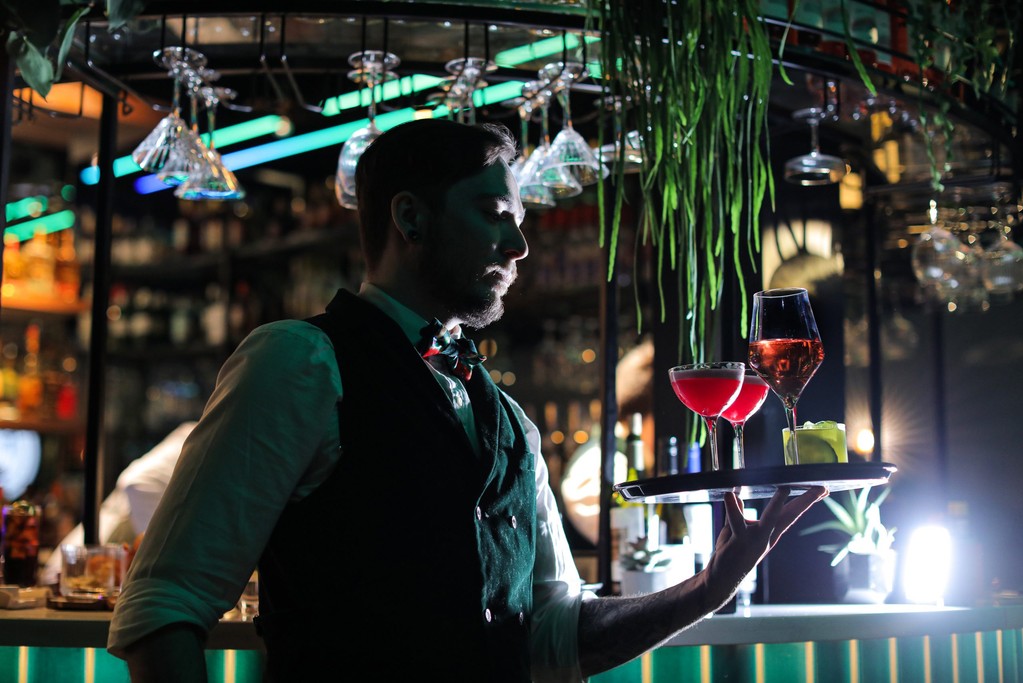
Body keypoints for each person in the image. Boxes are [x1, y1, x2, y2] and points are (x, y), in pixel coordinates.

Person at [107, 119, 827, 682]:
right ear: (411, 219)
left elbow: (553, 634)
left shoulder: (506, 419)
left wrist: (708, 587)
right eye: (492, 212)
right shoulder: (299, 361)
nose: (518, 244)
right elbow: (163, 604)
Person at [39, 421, 196, 587]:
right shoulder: (205, 433)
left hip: (107, 579)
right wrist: (167, 557)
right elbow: (137, 483)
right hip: (75, 574)